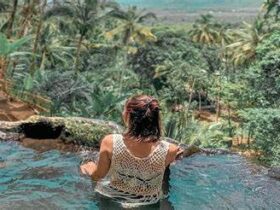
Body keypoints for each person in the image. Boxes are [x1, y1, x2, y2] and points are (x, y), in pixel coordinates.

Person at [80, 95, 183, 206]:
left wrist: (89, 168)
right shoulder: (171, 150)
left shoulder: (110, 141)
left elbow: (97, 176)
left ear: (128, 115)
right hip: (148, 204)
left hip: (112, 201)